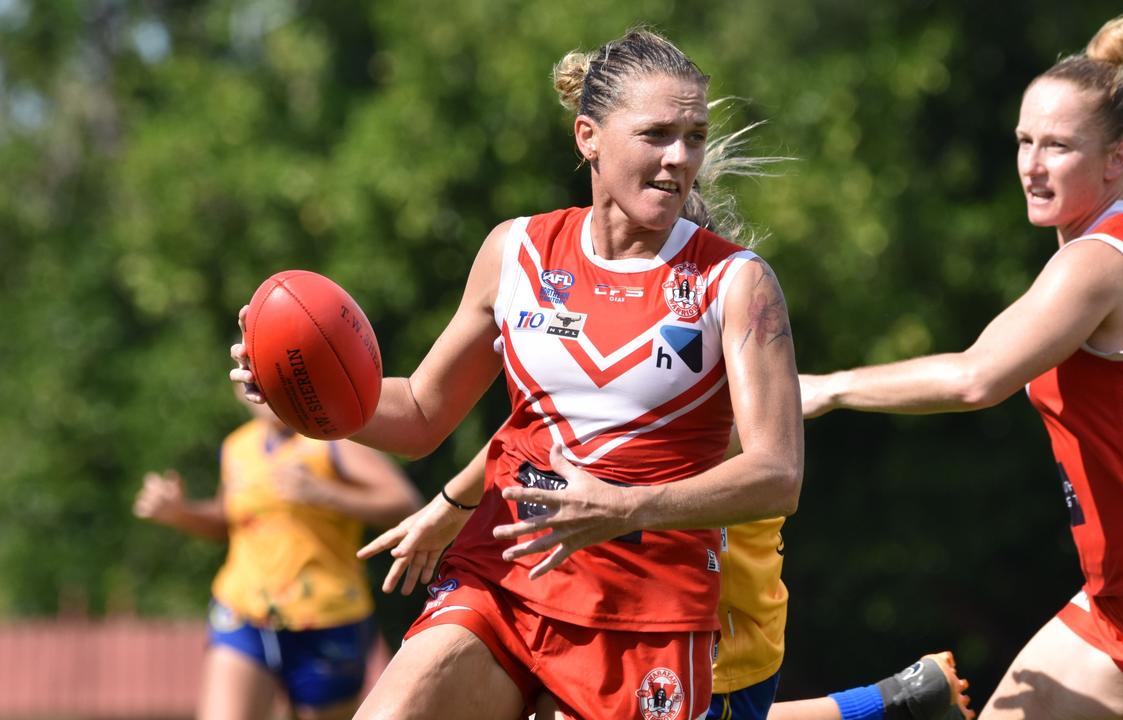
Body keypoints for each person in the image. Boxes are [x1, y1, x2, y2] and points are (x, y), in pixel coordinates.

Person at [232, 28, 805, 720]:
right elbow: (418, 410)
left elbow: (777, 472)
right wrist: (308, 399)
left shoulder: (735, 283)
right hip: (503, 576)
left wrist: (626, 508)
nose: (679, 159)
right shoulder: (518, 252)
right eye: (655, 135)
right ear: (588, 137)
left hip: (643, 614)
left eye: (694, 136)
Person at [800, 9, 1123, 720]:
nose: (1031, 164)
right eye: (1025, 141)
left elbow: (975, 377)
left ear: (1116, 158)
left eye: (1057, 146)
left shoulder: (1095, 264)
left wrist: (831, 388)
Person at [361, 438, 974, 720]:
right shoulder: (607, 332)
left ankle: (889, 704)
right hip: (602, 606)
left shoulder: (722, 364)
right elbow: (530, 427)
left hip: (722, 644)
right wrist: (452, 503)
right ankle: (897, 701)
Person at [133, 390, 423, 720]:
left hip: (327, 616)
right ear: (240, 392)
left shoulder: (333, 438)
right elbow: (229, 521)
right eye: (254, 385)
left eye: (273, 383)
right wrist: (181, 513)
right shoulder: (236, 447)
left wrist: (325, 493)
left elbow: (406, 504)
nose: (264, 396)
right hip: (244, 611)